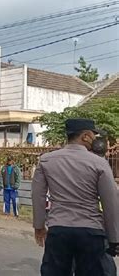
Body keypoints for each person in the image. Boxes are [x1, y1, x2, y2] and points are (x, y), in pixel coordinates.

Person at [32, 118, 119, 275]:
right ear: (85, 136)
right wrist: (114, 238)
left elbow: (37, 196)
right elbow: (111, 202)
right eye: (93, 134)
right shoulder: (99, 163)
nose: (95, 138)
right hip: (90, 232)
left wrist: (39, 226)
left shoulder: (46, 161)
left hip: (58, 230)